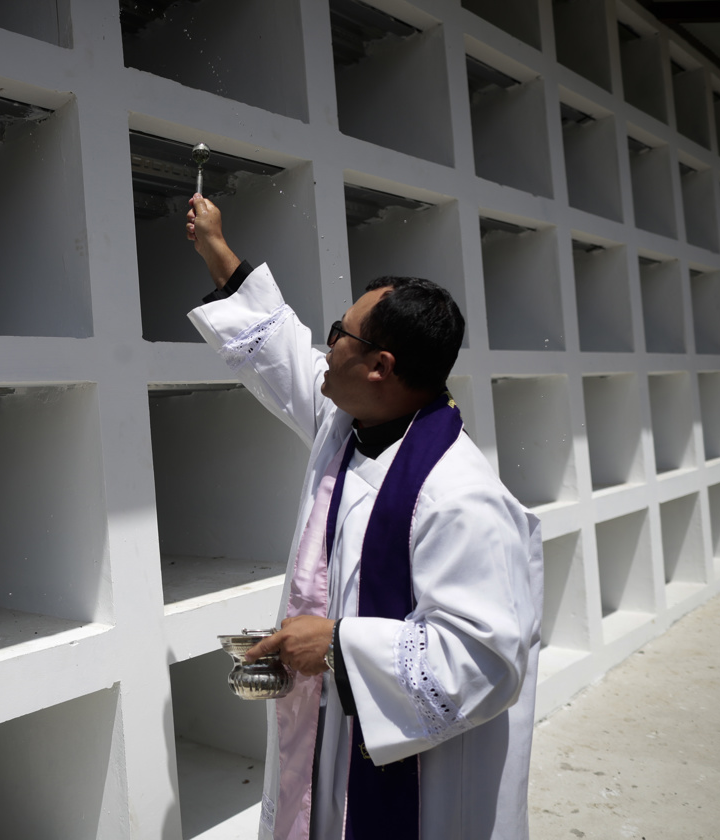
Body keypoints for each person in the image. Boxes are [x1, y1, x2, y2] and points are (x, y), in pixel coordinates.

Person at [184, 193, 543, 840]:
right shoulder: (347, 424)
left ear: (380, 366)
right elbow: (279, 343)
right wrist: (216, 249)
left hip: (418, 782)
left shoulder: (459, 497)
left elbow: (488, 663)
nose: (323, 350)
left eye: (337, 336)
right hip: (342, 735)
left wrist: (338, 644)